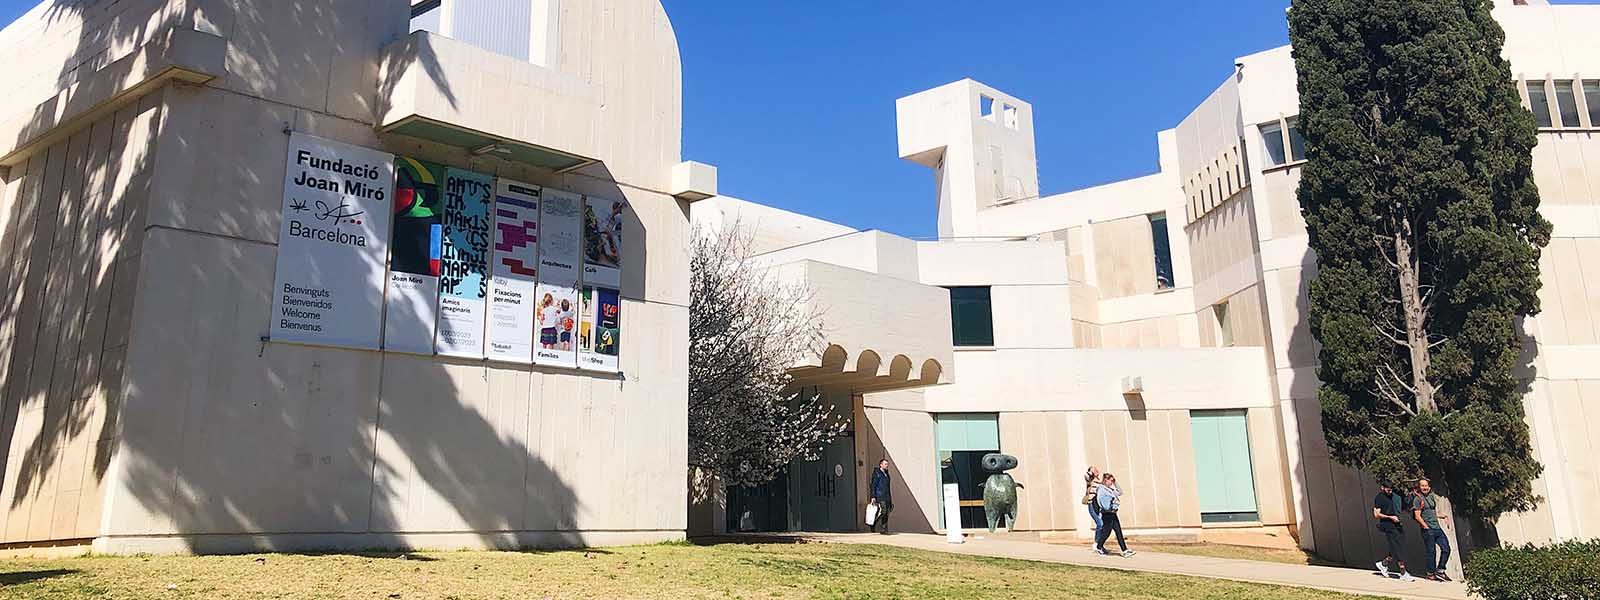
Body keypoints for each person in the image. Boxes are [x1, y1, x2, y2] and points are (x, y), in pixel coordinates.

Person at [1373, 482, 1416, 581]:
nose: (1390, 491)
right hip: (1387, 524)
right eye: (1388, 489)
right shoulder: (1379, 498)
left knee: (1397, 546)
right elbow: (1376, 514)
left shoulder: (1394, 496)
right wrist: (1390, 517)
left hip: (1397, 524)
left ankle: (1384, 563)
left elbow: (1402, 506)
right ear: (1382, 488)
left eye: (1391, 489)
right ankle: (1403, 572)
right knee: (1398, 547)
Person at [1412, 478, 1452, 582]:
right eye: (1422, 486)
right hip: (1428, 529)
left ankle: (1440, 570)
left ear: (1429, 487)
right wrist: (1425, 526)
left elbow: (1432, 512)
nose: (1424, 488)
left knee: (1446, 548)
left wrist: (1443, 516)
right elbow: (1417, 516)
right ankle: (1430, 573)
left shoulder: (1431, 497)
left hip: (1437, 528)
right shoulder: (1418, 499)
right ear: (1419, 487)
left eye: (1426, 486)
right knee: (1431, 552)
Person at [1094, 473, 1134, 557]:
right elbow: (1105, 505)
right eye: (1111, 481)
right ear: (1105, 480)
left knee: (1118, 531)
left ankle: (1124, 550)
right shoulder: (1102, 490)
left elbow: (1120, 492)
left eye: (1112, 481)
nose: (1112, 482)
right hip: (1107, 514)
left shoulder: (1109, 489)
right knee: (1106, 532)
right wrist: (1113, 503)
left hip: (1113, 513)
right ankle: (1099, 546)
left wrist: (1115, 483)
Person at [869, 459, 893, 534]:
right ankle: (874, 523)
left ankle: (884, 528)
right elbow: (873, 485)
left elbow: (887, 486)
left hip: (887, 495)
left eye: (887, 464)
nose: (887, 465)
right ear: (881, 465)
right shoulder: (877, 473)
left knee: (887, 512)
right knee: (884, 510)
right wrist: (873, 496)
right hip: (880, 495)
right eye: (885, 464)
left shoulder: (886, 474)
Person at [1083, 466, 1103, 549]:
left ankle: (1100, 544)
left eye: (1096, 469)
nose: (1096, 470)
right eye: (1094, 469)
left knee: (1103, 525)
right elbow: (1086, 476)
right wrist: (1091, 472)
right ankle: (1096, 543)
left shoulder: (1100, 482)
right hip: (1092, 504)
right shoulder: (1090, 480)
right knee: (1100, 524)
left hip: (1099, 505)